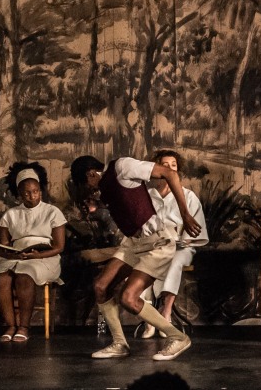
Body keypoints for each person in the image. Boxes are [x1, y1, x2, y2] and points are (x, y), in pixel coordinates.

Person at [89, 155, 202, 361]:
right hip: (133, 242)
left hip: (157, 242)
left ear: (91, 174)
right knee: (101, 286)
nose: (90, 187)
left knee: (128, 298)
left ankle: (178, 337)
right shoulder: (107, 186)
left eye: (87, 183)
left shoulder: (122, 166)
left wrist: (185, 214)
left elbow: (169, 173)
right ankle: (119, 344)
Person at [0, 162, 67, 342]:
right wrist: (11, 254)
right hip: (16, 256)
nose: (32, 196)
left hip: (44, 257)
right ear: (19, 194)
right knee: (1, 278)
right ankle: (11, 325)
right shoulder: (10, 215)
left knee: (24, 275)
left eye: (35, 191)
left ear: (40, 191)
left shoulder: (52, 212)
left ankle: (24, 327)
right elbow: (3, 246)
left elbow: (59, 247)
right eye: (26, 192)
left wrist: (37, 255)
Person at [139, 149, 209, 338]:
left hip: (181, 245)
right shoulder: (147, 195)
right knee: (142, 264)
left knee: (175, 260)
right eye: (165, 165)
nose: (169, 169)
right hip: (153, 245)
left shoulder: (188, 196)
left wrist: (178, 240)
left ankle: (165, 313)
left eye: (173, 165)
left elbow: (196, 229)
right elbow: (141, 225)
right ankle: (149, 318)